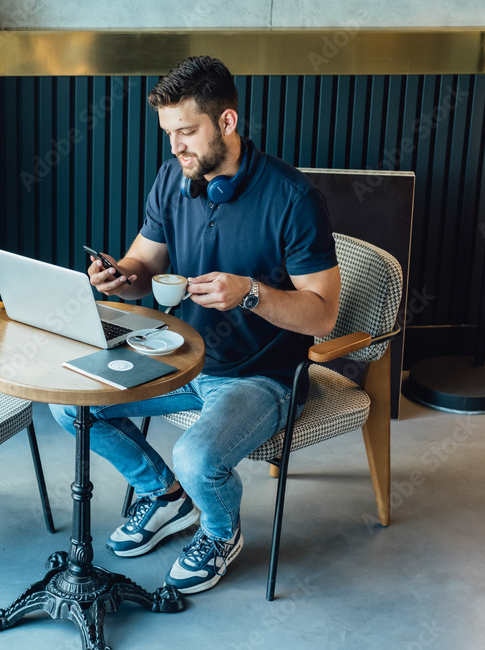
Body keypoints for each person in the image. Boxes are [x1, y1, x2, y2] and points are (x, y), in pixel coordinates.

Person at [49, 55, 341, 595]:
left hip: (262, 377)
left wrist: (250, 293)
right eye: (168, 133)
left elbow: (323, 312)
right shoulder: (172, 178)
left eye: (186, 132)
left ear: (227, 123)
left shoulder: (294, 199)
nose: (175, 146)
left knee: (196, 456)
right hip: (179, 359)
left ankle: (220, 532)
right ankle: (163, 495)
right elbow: (145, 268)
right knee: (70, 404)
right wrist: (118, 277)